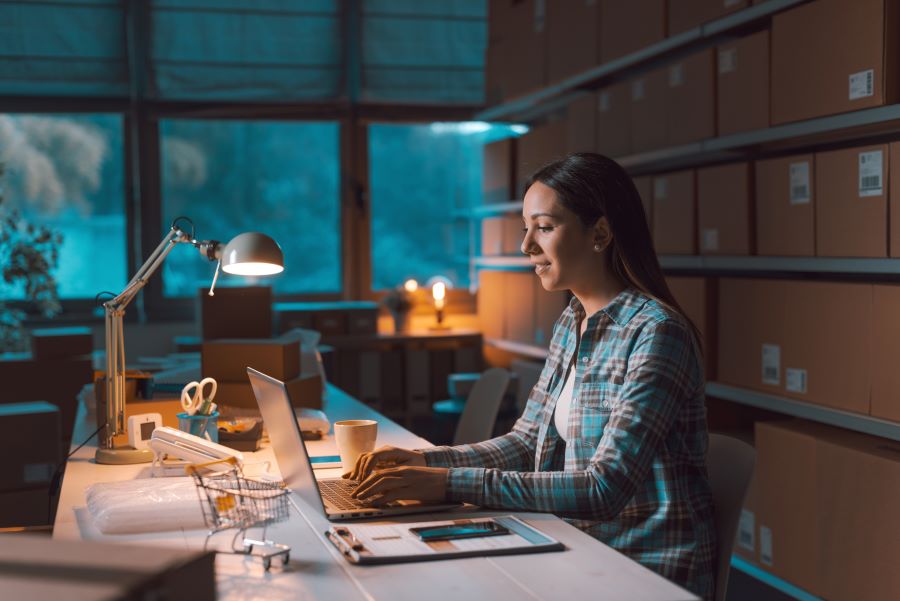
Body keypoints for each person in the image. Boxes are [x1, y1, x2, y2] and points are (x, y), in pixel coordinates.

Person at [346, 152, 716, 600]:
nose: (526, 246)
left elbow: (604, 489)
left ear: (599, 232)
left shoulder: (658, 332)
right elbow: (525, 444)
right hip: (575, 547)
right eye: (526, 227)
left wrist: (445, 484)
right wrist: (425, 462)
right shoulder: (572, 321)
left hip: (641, 571)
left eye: (544, 227)